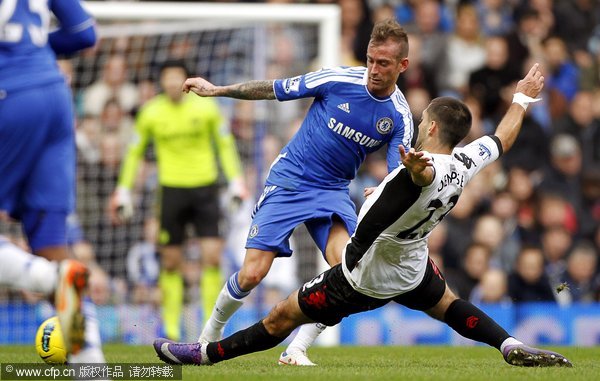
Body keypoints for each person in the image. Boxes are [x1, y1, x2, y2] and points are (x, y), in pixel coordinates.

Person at [154, 63, 573, 368]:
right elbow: (501, 138)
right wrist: (521, 98)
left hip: (365, 273)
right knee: (448, 305)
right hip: (413, 268)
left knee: (281, 315)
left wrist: (412, 170)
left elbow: (424, 174)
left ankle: (206, 354)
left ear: (429, 128)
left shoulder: (424, 166)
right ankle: (509, 344)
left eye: (423, 120)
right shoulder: (467, 160)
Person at [178, 18, 413, 365]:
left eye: (384, 64)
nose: (373, 70)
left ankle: (296, 349)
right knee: (253, 273)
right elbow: (274, 88)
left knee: (349, 273)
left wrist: (380, 191)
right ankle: (207, 338)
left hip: (333, 191)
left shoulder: (399, 117)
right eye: (370, 60)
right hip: (291, 180)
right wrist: (218, 90)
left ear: (402, 66)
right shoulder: (336, 79)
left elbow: (397, 175)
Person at [109, 59, 246, 341]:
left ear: (187, 80)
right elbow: (134, 153)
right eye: (167, 77)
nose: (172, 82)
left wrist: (236, 181)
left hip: (205, 189)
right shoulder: (150, 113)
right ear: (161, 82)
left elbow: (224, 144)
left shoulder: (207, 107)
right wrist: (123, 189)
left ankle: (211, 329)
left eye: (177, 77)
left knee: (211, 257)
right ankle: (171, 329)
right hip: (171, 191)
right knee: (170, 262)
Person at [0, 0, 105, 363]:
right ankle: (91, 366)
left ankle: (50, 279)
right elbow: (85, 33)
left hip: (8, 94)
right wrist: (35, 47)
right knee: (52, 246)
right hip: (55, 95)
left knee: (51, 270)